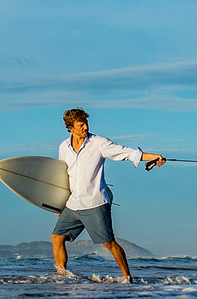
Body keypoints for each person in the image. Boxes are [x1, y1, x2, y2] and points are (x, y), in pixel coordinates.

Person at [51, 108, 166, 282]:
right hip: (73, 204)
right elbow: (63, 175)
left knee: (109, 243)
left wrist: (153, 157)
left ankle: (127, 277)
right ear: (70, 128)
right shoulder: (63, 147)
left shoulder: (98, 142)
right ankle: (62, 276)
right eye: (81, 125)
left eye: (86, 123)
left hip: (95, 203)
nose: (85, 127)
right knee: (57, 237)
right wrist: (59, 203)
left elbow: (126, 152)